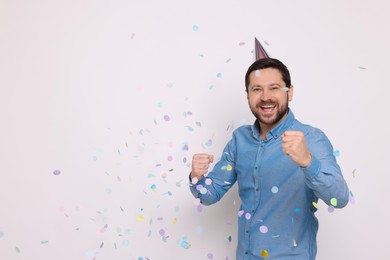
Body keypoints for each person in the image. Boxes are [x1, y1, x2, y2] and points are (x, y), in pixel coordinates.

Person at [189, 57, 349, 259]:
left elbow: (340, 199)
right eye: (257, 89)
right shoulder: (240, 140)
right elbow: (209, 194)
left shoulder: (310, 138)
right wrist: (197, 176)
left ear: (289, 92)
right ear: (247, 96)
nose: (265, 97)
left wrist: (308, 162)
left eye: (274, 88)